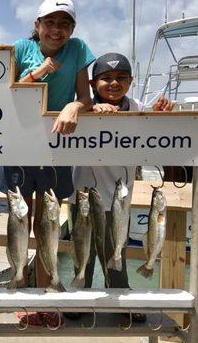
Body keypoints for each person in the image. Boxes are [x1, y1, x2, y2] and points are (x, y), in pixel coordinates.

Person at [1, 0, 95, 327]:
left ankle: (46, 293)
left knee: (48, 224)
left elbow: (84, 96)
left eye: (65, 24)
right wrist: (39, 72)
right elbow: (8, 93)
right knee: (20, 222)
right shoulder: (19, 48)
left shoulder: (79, 48)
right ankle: (23, 291)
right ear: (37, 25)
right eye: (50, 22)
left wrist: (74, 107)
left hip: (55, 145)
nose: (57, 30)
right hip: (19, 144)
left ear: (72, 29)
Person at [70, 52, 174, 323]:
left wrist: (164, 112)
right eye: (106, 79)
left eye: (121, 78)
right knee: (85, 251)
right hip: (83, 197)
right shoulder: (83, 105)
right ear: (93, 84)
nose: (113, 84)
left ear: (130, 81)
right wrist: (92, 108)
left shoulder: (138, 106)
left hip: (119, 200)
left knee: (118, 251)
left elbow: (161, 128)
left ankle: (122, 298)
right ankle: (79, 296)